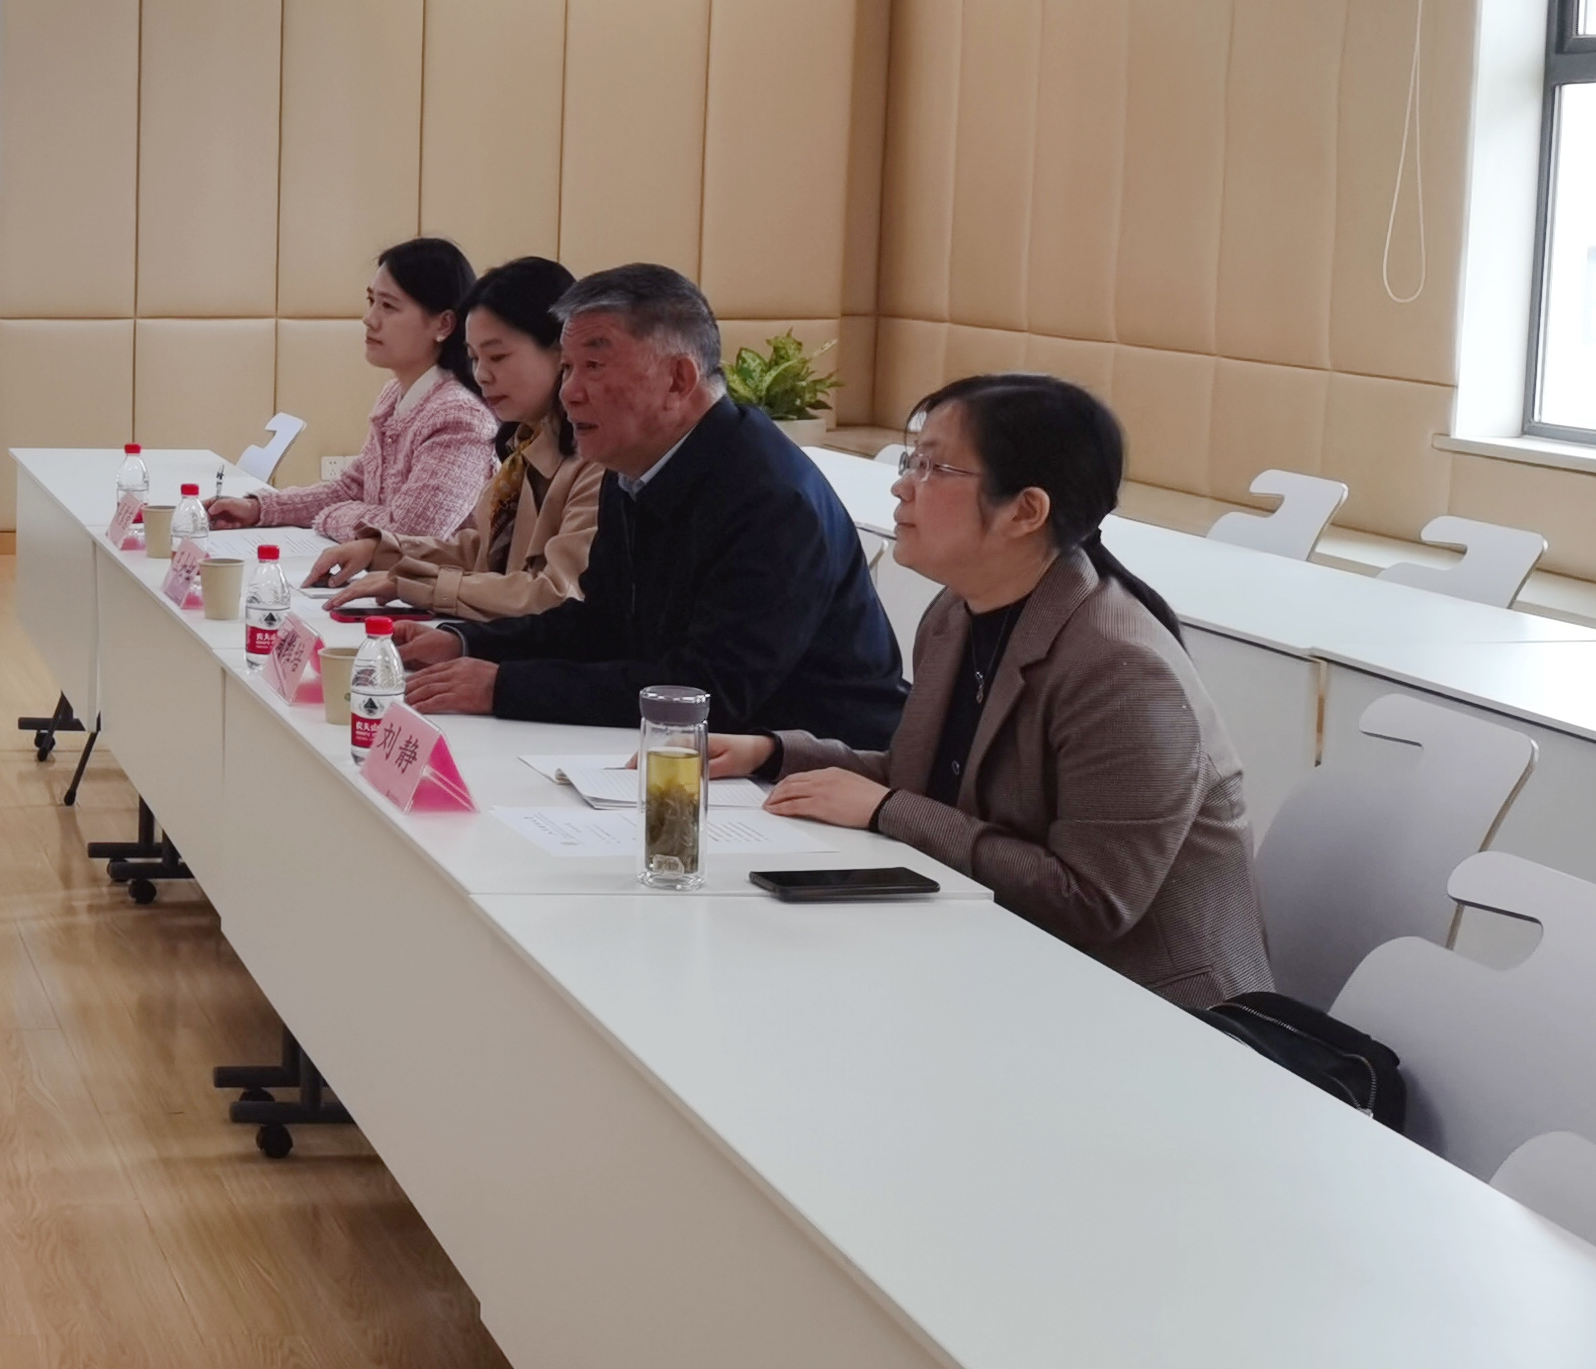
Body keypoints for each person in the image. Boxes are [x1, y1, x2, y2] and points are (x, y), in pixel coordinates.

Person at [711, 375, 1273, 1009]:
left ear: (1026, 511)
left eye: (933, 467)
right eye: (910, 461)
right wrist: (771, 753)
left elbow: (1091, 903)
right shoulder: (955, 614)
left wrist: (885, 808)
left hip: (1151, 1012)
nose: (902, 485)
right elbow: (923, 783)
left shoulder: (1125, 672)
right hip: (998, 962)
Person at [397, 262, 904, 744]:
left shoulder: (770, 499)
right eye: (567, 367)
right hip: (694, 750)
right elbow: (601, 623)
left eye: (594, 366)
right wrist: (468, 643)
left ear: (679, 379)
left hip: (809, 766)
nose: (569, 392)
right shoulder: (635, 467)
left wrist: (504, 687)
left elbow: (710, 692)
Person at [308, 254, 600, 619]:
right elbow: (486, 553)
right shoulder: (524, 444)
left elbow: (554, 592)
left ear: (561, 352)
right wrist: (380, 549)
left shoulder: (596, 461)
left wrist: (419, 583)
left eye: (497, 357)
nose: (482, 375)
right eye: (474, 359)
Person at [204, 236, 497, 551]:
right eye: (372, 301)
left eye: (388, 306)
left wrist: (333, 516)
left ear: (444, 324)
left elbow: (407, 534)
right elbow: (350, 488)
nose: (369, 319)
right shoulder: (395, 395)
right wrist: (258, 509)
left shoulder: (460, 417)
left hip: (430, 583)